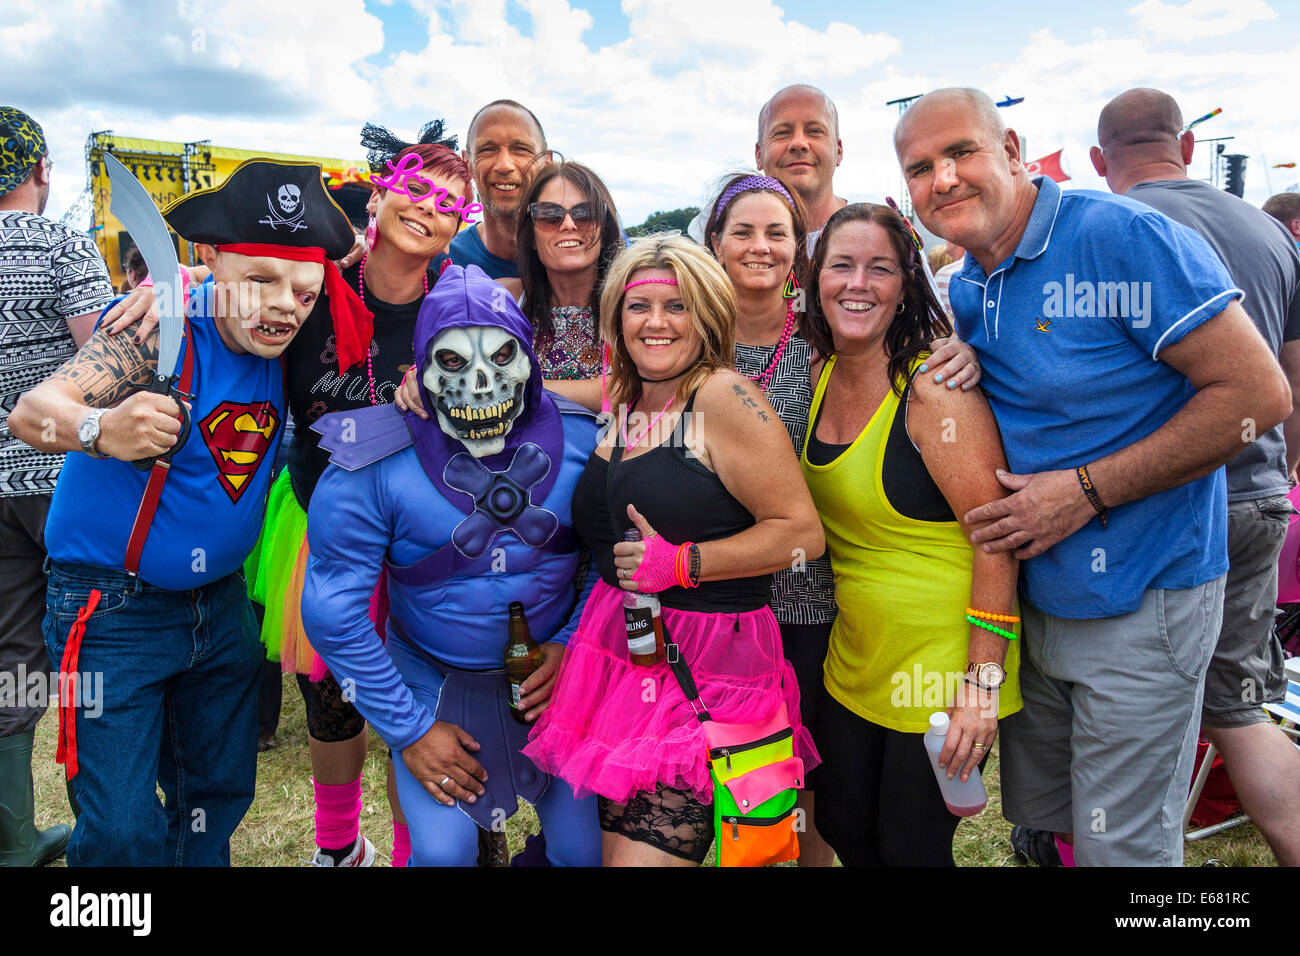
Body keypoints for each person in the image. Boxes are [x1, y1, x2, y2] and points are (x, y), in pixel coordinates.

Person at [895, 87, 1292, 866]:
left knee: (1128, 849)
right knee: (1056, 829)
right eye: (920, 167)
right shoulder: (973, 281)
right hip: (1043, 610)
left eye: (960, 153)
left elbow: (1257, 395)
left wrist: (1083, 492)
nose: (942, 179)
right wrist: (976, 358)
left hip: (1146, 595)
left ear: (1010, 148)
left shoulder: (1122, 235)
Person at [10, 158, 358, 865]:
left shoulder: (290, 335)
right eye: (258, 280)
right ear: (209, 258)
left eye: (303, 287)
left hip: (221, 608)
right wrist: (99, 430)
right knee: (121, 830)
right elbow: (31, 412)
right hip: (113, 611)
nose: (284, 304)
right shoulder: (157, 332)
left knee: (214, 800)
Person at [523, 235, 825, 867]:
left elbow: (800, 533)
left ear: (708, 315)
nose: (656, 322)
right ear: (617, 317)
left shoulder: (722, 398)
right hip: (619, 655)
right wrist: (430, 387)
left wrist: (684, 563)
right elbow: (534, 390)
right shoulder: (627, 399)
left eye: (677, 306)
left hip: (709, 664)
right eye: (639, 307)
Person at [301, 264, 603, 867]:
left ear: (529, 360)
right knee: (443, 854)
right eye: (454, 365)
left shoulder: (586, 441)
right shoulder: (371, 462)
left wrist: (571, 644)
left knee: (583, 851)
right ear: (420, 368)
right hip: (430, 676)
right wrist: (409, 729)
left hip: (554, 681)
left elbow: (612, 563)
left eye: (500, 358)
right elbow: (333, 613)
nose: (483, 384)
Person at [1083, 88, 1300, 867]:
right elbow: (1291, 380)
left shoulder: (1118, 228)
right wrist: (1280, 474)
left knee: (1144, 717)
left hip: (1166, 508)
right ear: (1181, 144)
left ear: (1100, 159)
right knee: (1240, 709)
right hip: (1262, 497)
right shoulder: (1271, 231)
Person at [798, 202, 1021, 866]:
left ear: (907, 285)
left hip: (944, 663)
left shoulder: (933, 389)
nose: (858, 284)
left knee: (910, 849)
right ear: (816, 280)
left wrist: (981, 683)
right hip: (857, 656)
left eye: (881, 269)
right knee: (841, 825)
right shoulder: (819, 371)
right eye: (841, 266)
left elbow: (996, 537)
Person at [0, 105, 112, 866]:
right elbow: (101, 364)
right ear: (42, 171)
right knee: (90, 651)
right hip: (64, 479)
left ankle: (12, 841)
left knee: (9, 659)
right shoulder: (63, 245)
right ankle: (103, 827)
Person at [517, 160, 622, 380]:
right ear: (532, 238)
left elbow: (631, 392)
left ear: (605, 229)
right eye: (549, 215)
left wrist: (525, 390)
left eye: (585, 213)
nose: (568, 224)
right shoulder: (507, 302)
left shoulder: (635, 304)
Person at [451, 100, 551, 282]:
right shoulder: (443, 262)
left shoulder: (578, 263)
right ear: (467, 163)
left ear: (546, 162)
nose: (504, 165)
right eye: (487, 149)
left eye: (520, 149)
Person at [755, 85, 848, 247]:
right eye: (782, 133)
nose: (798, 143)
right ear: (759, 154)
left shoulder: (881, 231)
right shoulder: (719, 227)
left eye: (815, 131)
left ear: (838, 151)